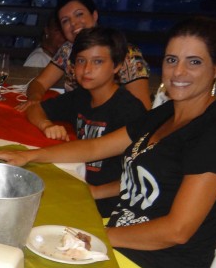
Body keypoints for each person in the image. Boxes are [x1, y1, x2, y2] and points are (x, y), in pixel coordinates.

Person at [0, 17, 216, 268]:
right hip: (123, 235)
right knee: (27, 231)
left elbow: (177, 230)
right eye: (172, 60)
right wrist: (30, 156)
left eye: (194, 62)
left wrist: (98, 237)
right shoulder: (165, 114)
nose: (179, 72)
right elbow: (97, 147)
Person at [26, 27, 146, 216]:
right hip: (77, 183)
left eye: (97, 61)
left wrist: (95, 192)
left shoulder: (130, 110)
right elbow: (35, 109)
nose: (87, 69)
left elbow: (142, 175)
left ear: (117, 66)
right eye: (81, 61)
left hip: (108, 206)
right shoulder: (81, 96)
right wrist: (46, 124)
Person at [20, 0, 152, 110]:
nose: (73, 23)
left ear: (94, 16)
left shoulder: (126, 53)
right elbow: (39, 83)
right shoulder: (68, 49)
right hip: (78, 120)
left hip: (114, 124)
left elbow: (142, 109)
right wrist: (35, 100)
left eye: (79, 14)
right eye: (65, 20)